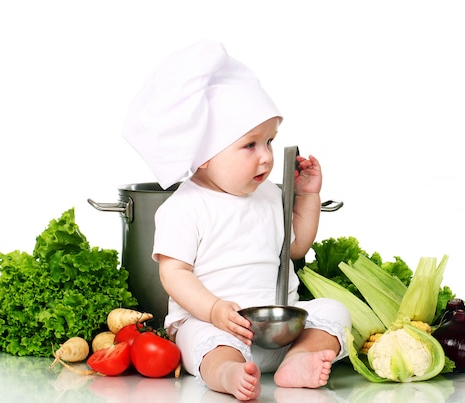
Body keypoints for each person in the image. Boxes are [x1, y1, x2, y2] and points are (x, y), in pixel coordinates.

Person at [123, 40, 351, 401]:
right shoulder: (185, 207)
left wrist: (307, 197)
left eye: (270, 142)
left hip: (283, 326)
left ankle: (300, 358)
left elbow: (294, 248)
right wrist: (213, 310)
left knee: (333, 310)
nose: (266, 158)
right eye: (250, 145)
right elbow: (174, 274)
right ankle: (226, 373)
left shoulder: (270, 195)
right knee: (198, 339)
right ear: (203, 156)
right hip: (219, 328)